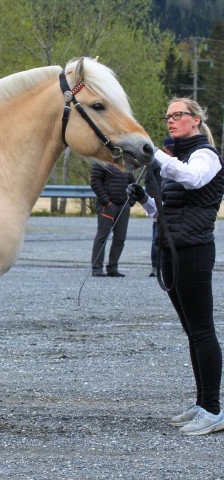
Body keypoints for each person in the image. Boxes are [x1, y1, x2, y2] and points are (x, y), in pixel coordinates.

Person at [127, 97, 224, 436]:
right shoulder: (177, 158)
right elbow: (166, 211)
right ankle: (203, 403)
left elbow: (195, 180)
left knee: (202, 331)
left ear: (196, 120)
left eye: (178, 115)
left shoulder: (205, 157)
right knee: (192, 332)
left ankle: (213, 410)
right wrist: (144, 199)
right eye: (167, 116)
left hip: (195, 251)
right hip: (172, 250)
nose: (171, 121)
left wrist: (156, 156)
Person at [90, 162, 135, 277]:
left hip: (124, 205)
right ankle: (97, 268)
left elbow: (132, 182)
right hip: (107, 206)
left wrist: (131, 201)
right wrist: (106, 202)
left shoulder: (125, 160)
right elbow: (95, 182)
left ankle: (112, 267)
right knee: (102, 236)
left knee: (120, 238)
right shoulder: (100, 160)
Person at [144, 138, 169, 277]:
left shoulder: (175, 161)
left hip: (169, 200)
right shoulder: (154, 162)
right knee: (156, 237)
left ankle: (165, 264)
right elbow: (149, 182)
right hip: (158, 202)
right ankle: (155, 266)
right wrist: (154, 201)